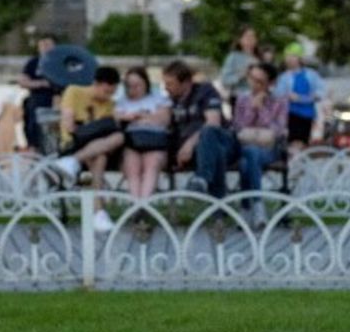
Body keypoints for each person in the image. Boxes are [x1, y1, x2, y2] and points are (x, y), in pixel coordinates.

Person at [48, 66, 125, 232]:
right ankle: (99, 213)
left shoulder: (110, 104)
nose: (108, 96)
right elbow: (69, 125)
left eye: (112, 93)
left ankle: (73, 162)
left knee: (115, 141)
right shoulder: (74, 91)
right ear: (96, 84)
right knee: (99, 155)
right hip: (73, 144)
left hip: (93, 149)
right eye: (106, 91)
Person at [162, 59, 235, 197]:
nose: (166, 87)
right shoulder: (171, 100)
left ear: (186, 82)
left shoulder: (205, 91)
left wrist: (189, 144)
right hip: (198, 153)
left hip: (224, 143)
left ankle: (202, 178)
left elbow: (213, 122)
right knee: (215, 153)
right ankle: (219, 211)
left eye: (170, 84)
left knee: (209, 134)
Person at [233, 62, 288, 218]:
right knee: (249, 156)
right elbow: (238, 126)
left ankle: (246, 207)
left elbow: (278, 130)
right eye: (251, 78)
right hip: (245, 147)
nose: (253, 84)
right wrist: (251, 108)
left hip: (270, 149)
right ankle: (257, 205)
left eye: (259, 81)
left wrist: (261, 109)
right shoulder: (242, 99)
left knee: (247, 161)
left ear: (270, 83)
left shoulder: (280, 100)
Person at [115, 66, 172, 200]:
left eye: (138, 85)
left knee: (151, 164)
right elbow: (117, 118)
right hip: (132, 143)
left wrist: (135, 118)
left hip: (155, 142)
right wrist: (143, 117)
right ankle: (137, 204)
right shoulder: (122, 101)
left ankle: (144, 204)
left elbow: (164, 119)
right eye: (130, 86)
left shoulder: (159, 98)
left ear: (146, 83)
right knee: (132, 167)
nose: (134, 89)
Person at [17, 35, 62, 156]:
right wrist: (42, 84)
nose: (45, 48)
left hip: (59, 97)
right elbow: (22, 81)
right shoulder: (34, 63)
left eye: (48, 45)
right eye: (42, 45)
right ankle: (33, 146)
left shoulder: (61, 62)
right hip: (38, 98)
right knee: (30, 109)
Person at [275, 43, 325, 149]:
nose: (290, 59)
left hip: (307, 114)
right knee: (293, 141)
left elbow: (320, 92)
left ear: (300, 58)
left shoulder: (311, 74)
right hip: (291, 113)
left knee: (304, 142)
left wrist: (308, 97)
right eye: (287, 56)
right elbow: (278, 94)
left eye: (293, 56)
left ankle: (300, 161)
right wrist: (288, 96)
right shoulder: (284, 77)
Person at [218, 26, 260, 102]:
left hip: (258, 98)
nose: (250, 39)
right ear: (240, 40)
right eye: (247, 36)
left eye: (253, 36)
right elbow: (225, 80)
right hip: (239, 97)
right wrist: (242, 75)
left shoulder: (260, 58)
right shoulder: (233, 57)